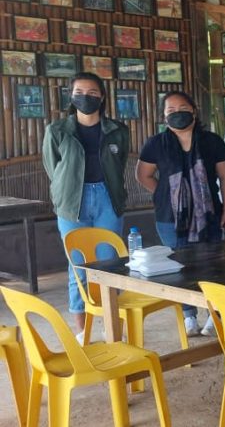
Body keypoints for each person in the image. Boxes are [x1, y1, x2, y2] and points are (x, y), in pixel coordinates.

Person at [136, 91, 225, 336]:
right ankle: (189, 315)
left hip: (210, 216)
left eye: (182, 107)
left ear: (194, 111)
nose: (177, 112)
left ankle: (216, 314)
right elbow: (143, 175)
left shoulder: (211, 141)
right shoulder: (156, 143)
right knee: (179, 268)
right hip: (170, 218)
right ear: (163, 116)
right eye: (170, 110)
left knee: (213, 267)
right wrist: (167, 193)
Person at [42, 72, 130, 343]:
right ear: (71, 96)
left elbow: (120, 163)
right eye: (80, 91)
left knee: (109, 263)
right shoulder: (57, 130)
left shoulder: (117, 130)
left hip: (107, 198)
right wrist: (65, 192)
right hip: (72, 202)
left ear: (102, 97)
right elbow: (51, 166)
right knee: (78, 266)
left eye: (93, 92)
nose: (86, 96)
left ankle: (109, 324)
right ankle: (82, 329)